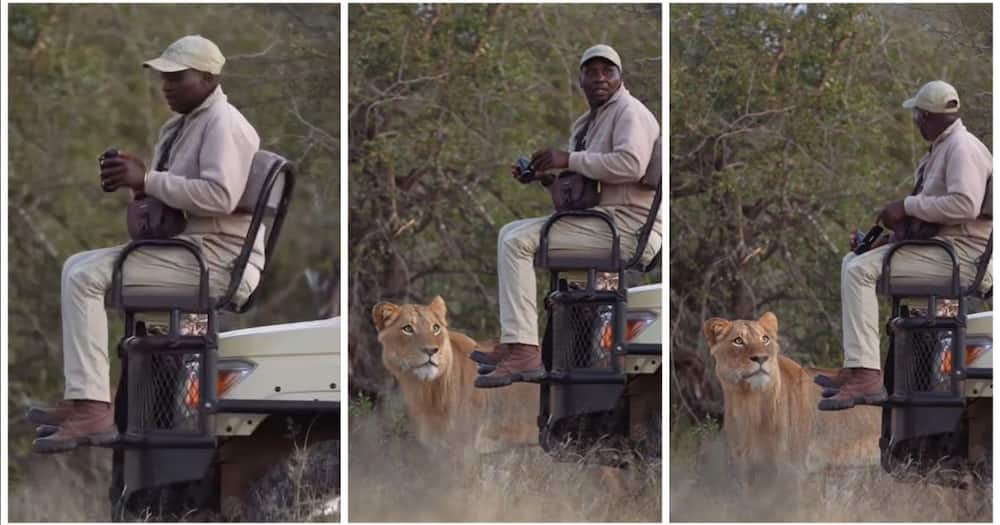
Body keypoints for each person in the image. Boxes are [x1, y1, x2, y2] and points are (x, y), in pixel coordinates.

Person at [28, 35, 262, 452]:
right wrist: (135, 184)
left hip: (215, 261)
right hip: (189, 251)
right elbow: (173, 202)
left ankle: (94, 410)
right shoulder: (181, 125)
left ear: (209, 77)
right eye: (163, 77)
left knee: (84, 278)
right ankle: (84, 397)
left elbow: (219, 197)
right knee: (75, 265)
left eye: (177, 77)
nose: (166, 86)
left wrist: (148, 180)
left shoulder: (224, 124)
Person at [473, 44, 662, 389]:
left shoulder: (629, 111)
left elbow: (630, 164)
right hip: (601, 224)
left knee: (516, 241)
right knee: (509, 233)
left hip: (629, 228)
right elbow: (575, 199)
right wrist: (544, 177)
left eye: (608, 71)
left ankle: (525, 351)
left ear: (621, 78)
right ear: (580, 80)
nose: (600, 78)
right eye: (591, 72)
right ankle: (520, 344)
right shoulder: (586, 124)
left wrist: (568, 160)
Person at [817, 80, 992, 411]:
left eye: (917, 116)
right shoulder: (943, 148)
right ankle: (857, 366)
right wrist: (888, 237)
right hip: (942, 249)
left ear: (927, 116)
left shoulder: (961, 148)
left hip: (961, 257)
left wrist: (908, 206)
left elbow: (965, 205)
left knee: (859, 272)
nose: (916, 123)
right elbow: (936, 217)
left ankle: (868, 377)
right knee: (851, 261)